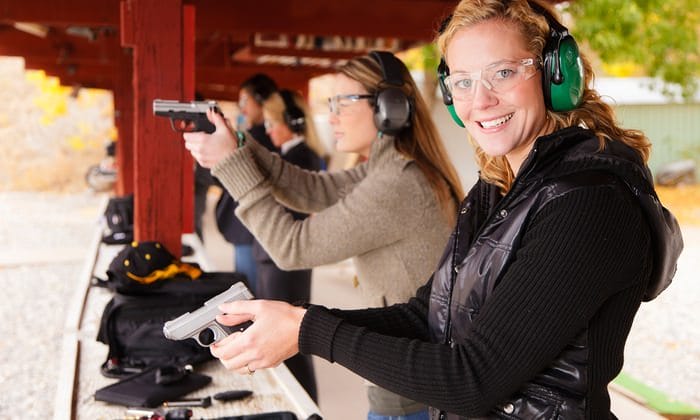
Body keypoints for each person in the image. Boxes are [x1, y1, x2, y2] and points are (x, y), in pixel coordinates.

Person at [190, 1, 685, 419]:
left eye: (504, 73)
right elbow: (427, 315)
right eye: (463, 82)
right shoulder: (499, 189)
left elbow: (474, 378)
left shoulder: (588, 202)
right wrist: (297, 320)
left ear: (556, 74)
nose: (481, 100)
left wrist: (307, 331)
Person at [184, 51, 464, 419]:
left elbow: (292, 247)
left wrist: (230, 164)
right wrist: (238, 144)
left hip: (408, 397)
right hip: (407, 384)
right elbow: (309, 189)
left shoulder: (398, 181)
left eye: (343, 102)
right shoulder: (388, 168)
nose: (331, 115)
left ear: (388, 108)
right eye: (331, 102)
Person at [251, 89, 325, 401]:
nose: (267, 130)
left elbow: (289, 214)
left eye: (271, 122)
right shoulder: (293, 155)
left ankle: (302, 407)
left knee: (289, 341)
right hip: (277, 260)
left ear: (292, 122)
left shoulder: (301, 158)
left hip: (285, 261)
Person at [214, 73, 279, 292]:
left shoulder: (259, 138)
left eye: (245, 101)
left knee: (250, 292)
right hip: (252, 225)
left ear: (260, 101)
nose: (242, 108)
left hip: (252, 226)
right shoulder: (259, 136)